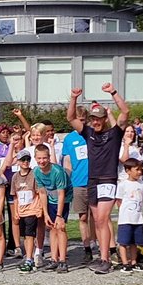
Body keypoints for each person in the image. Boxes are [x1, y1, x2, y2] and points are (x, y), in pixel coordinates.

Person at [67, 84, 129, 275]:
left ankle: (106, 259)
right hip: (92, 180)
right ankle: (104, 258)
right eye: (93, 119)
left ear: (104, 119)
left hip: (108, 179)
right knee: (98, 221)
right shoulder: (88, 133)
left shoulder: (114, 134)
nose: (95, 122)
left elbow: (125, 111)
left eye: (99, 118)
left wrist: (113, 92)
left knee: (102, 218)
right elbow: (70, 118)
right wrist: (73, 98)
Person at [61, 105, 94, 262]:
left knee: (98, 217)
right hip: (78, 182)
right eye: (78, 120)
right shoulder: (69, 139)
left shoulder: (92, 134)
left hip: (95, 180)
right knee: (82, 217)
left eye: (83, 120)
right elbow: (67, 161)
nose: (81, 123)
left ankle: (101, 245)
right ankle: (87, 248)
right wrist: (68, 179)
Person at [33, 143, 72, 273]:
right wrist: (46, 214)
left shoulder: (57, 172)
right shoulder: (37, 171)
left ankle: (62, 260)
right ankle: (54, 259)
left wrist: (59, 215)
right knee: (51, 228)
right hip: (50, 199)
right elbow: (42, 192)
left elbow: (61, 194)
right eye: (39, 158)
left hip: (63, 199)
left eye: (44, 158)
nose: (42, 161)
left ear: (49, 157)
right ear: (35, 158)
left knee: (60, 227)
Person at [10, 149, 43, 272]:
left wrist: (39, 208)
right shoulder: (15, 177)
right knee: (25, 235)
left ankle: (30, 259)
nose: (25, 162)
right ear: (18, 161)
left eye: (28, 160)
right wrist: (16, 211)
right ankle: (29, 255)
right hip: (21, 210)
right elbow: (15, 195)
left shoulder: (34, 174)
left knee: (30, 234)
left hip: (32, 209)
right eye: (23, 160)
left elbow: (38, 193)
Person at [116, 158, 143, 273]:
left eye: (140, 169)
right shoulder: (123, 184)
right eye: (136, 169)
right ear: (128, 171)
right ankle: (125, 263)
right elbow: (119, 200)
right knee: (123, 242)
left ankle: (134, 261)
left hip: (137, 218)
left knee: (135, 242)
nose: (139, 172)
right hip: (125, 218)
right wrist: (123, 212)